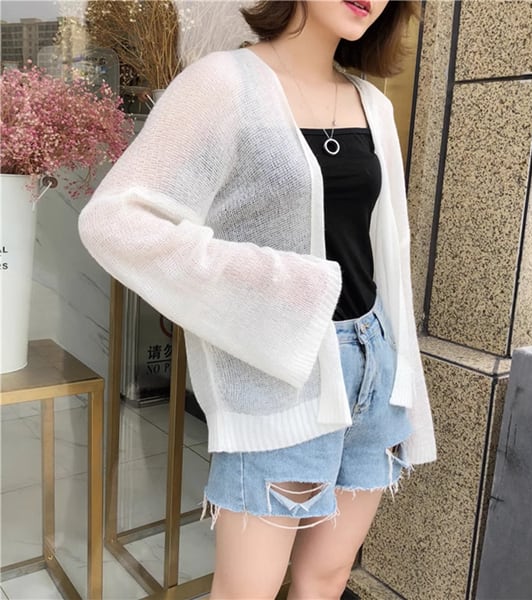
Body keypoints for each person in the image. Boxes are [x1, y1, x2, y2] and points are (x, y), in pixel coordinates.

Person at [78, 1, 436, 598]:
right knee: (247, 591)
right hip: (280, 381)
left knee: (327, 578)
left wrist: (403, 376)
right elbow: (115, 221)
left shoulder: (372, 103)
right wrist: (279, 289)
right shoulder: (223, 84)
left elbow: (387, 254)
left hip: (376, 368)